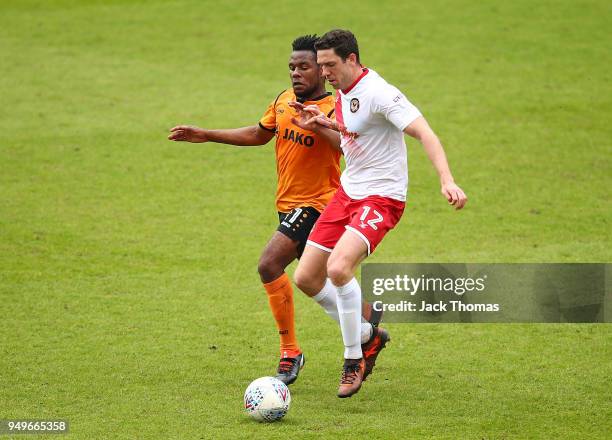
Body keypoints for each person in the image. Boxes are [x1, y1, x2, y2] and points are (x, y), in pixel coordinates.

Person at [168, 35, 385, 386]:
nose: (296, 74)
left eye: (304, 67)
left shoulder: (334, 108)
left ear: (322, 69)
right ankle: (366, 324)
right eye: (291, 67)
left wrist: (317, 125)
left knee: (269, 264)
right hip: (286, 206)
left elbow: (350, 148)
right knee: (313, 281)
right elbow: (259, 133)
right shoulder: (284, 101)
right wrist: (207, 134)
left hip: (319, 204)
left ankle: (291, 351)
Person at [291, 29, 468, 398]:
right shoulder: (342, 91)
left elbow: (426, 134)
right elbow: (351, 141)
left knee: (338, 269)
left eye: (330, 65)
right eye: (321, 66)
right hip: (348, 193)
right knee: (306, 278)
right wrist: (322, 125)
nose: (323, 73)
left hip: (382, 197)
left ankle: (354, 356)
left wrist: (447, 180)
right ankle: (370, 333)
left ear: (352, 59)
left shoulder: (381, 94)